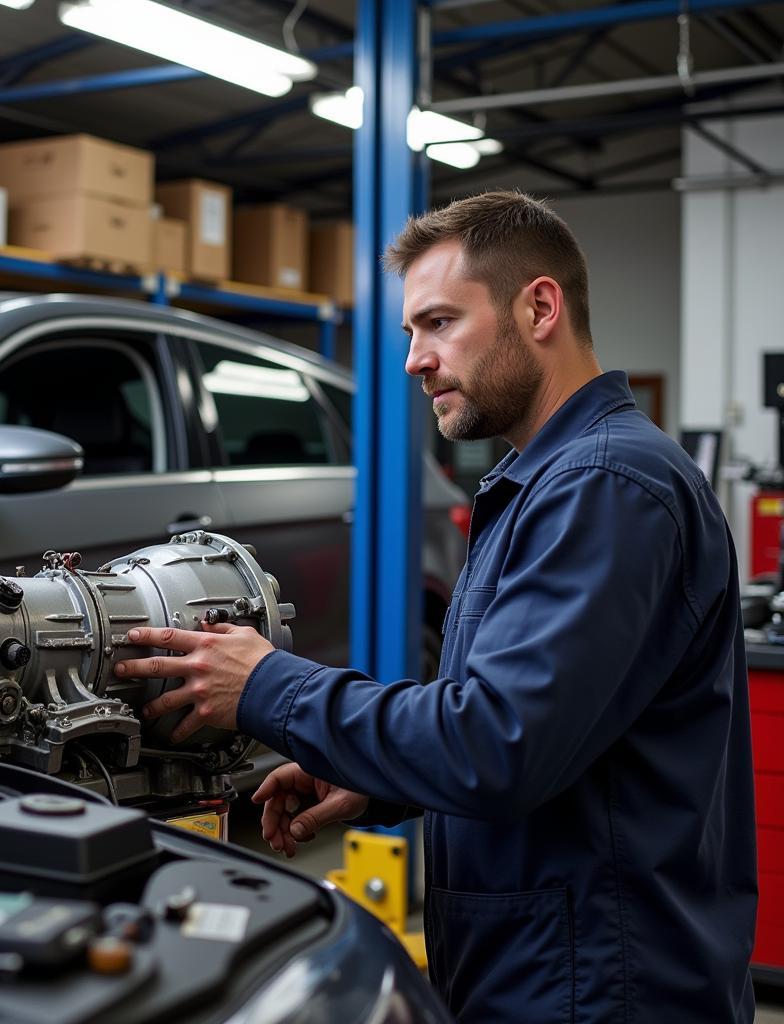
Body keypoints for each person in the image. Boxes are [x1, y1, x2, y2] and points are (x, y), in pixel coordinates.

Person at [115, 191, 757, 1022]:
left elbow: (498, 744)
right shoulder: (544, 484)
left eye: (441, 322)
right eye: (410, 333)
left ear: (539, 307)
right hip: (555, 970)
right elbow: (550, 737)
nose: (415, 359)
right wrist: (376, 783)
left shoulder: (607, 486)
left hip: (600, 989)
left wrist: (271, 686)